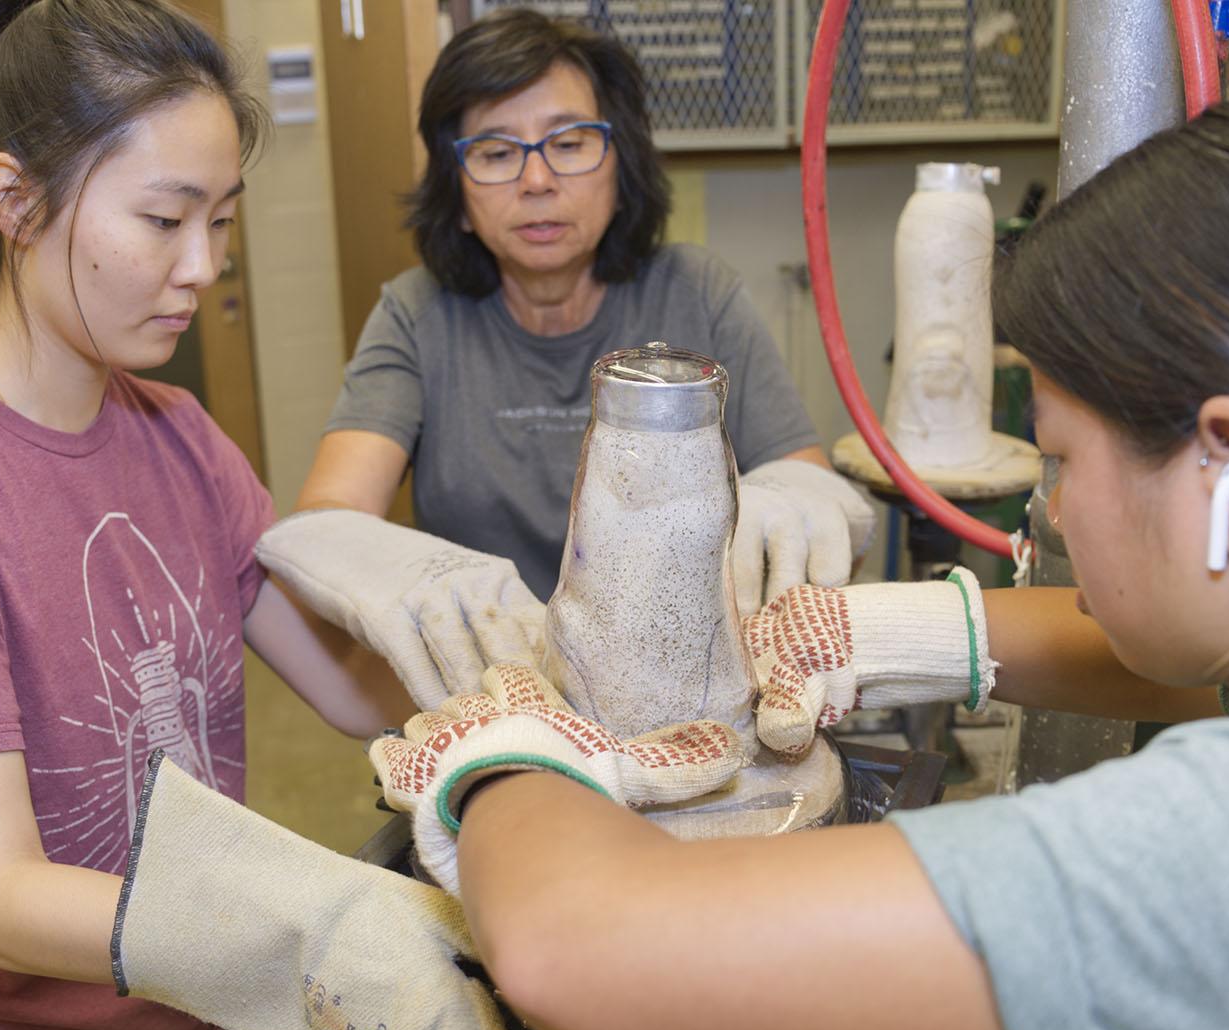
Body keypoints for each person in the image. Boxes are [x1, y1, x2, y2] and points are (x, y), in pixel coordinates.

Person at [368, 90, 1229, 1030]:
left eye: (1066, 459)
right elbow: (1225, 657)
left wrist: (514, 742)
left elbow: (580, 952)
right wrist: (901, 628)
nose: (1055, 509)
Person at [0, 2, 574, 1030]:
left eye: (222, 221)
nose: (205, 268)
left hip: (202, 1016)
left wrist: (536, 689)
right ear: (14, 200)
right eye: (166, 221)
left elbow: (347, 688)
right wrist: (309, 927)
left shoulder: (180, 441)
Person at [257, 9, 874, 710]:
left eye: (570, 142)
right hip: (492, 691)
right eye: (494, 151)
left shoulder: (697, 295)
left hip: (683, 693)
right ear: (456, 196)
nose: (537, 180)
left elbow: (808, 500)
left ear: (621, 168)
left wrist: (790, 508)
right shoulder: (416, 315)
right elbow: (330, 518)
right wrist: (412, 581)